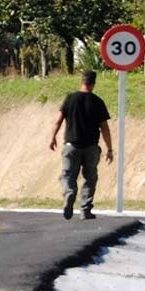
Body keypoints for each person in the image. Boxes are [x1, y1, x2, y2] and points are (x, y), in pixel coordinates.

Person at [49, 70, 114, 220]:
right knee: (90, 177)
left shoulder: (70, 99)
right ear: (94, 83)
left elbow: (58, 120)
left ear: (82, 81)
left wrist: (52, 137)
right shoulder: (98, 102)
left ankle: (69, 192)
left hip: (71, 146)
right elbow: (104, 127)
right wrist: (109, 148)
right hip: (91, 147)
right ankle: (85, 209)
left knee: (67, 175)